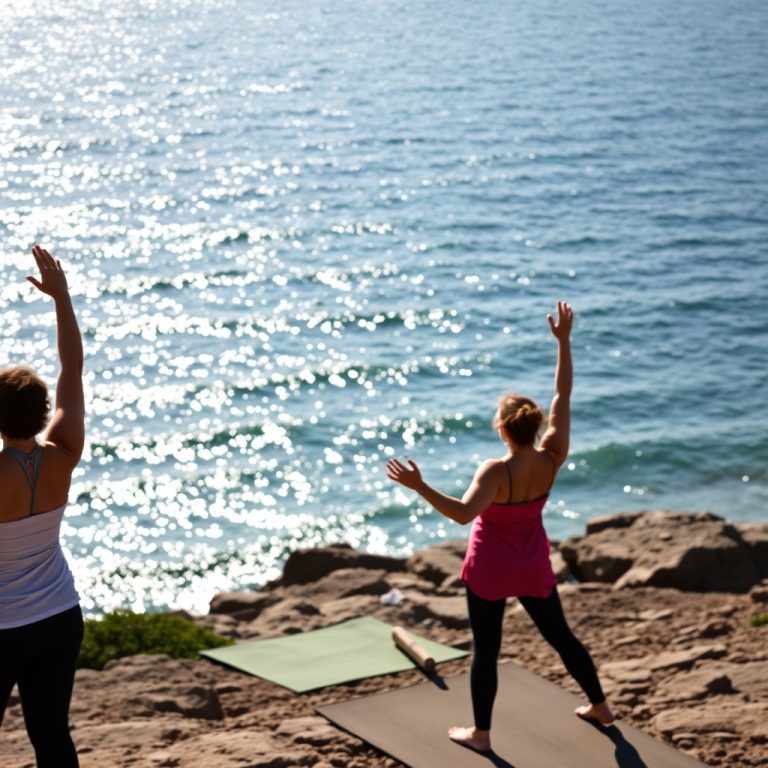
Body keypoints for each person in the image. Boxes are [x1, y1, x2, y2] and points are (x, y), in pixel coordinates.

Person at [386, 300, 613, 754]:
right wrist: (564, 343)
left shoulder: (494, 471)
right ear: (533, 427)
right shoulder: (552, 455)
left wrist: (419, 485)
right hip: (532, 565)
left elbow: (463, 514)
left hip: (490, 571)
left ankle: (482, 736)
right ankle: (601, 707)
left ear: (502, 430)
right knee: (562, 638)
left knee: (485, 651)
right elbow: (563, 396)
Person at [0, 245, 85, 767]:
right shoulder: (64, 455)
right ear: (43, 412)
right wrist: (62, 299)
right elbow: (72, 369)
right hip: (59, 614)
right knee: (52, 736)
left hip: (5, 625)